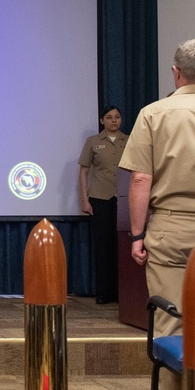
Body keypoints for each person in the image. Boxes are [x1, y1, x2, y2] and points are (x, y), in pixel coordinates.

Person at [119, 39, 195, 390]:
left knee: (172, 320)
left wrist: (138, 235)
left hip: (172, 227)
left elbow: (141, 178)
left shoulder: (154, 113)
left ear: (175, 73)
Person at [78, 106, 128, 304]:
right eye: (109, 117)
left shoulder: (130, 140)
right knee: (103, 246)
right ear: (102, 121)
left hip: (124, 199)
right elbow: (83, 172)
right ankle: (104, 292)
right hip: (100, 198)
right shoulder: (93, 142)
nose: (113, 121)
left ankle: (122, 292)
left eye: (117, 117)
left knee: (122, 246)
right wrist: (84, 199)